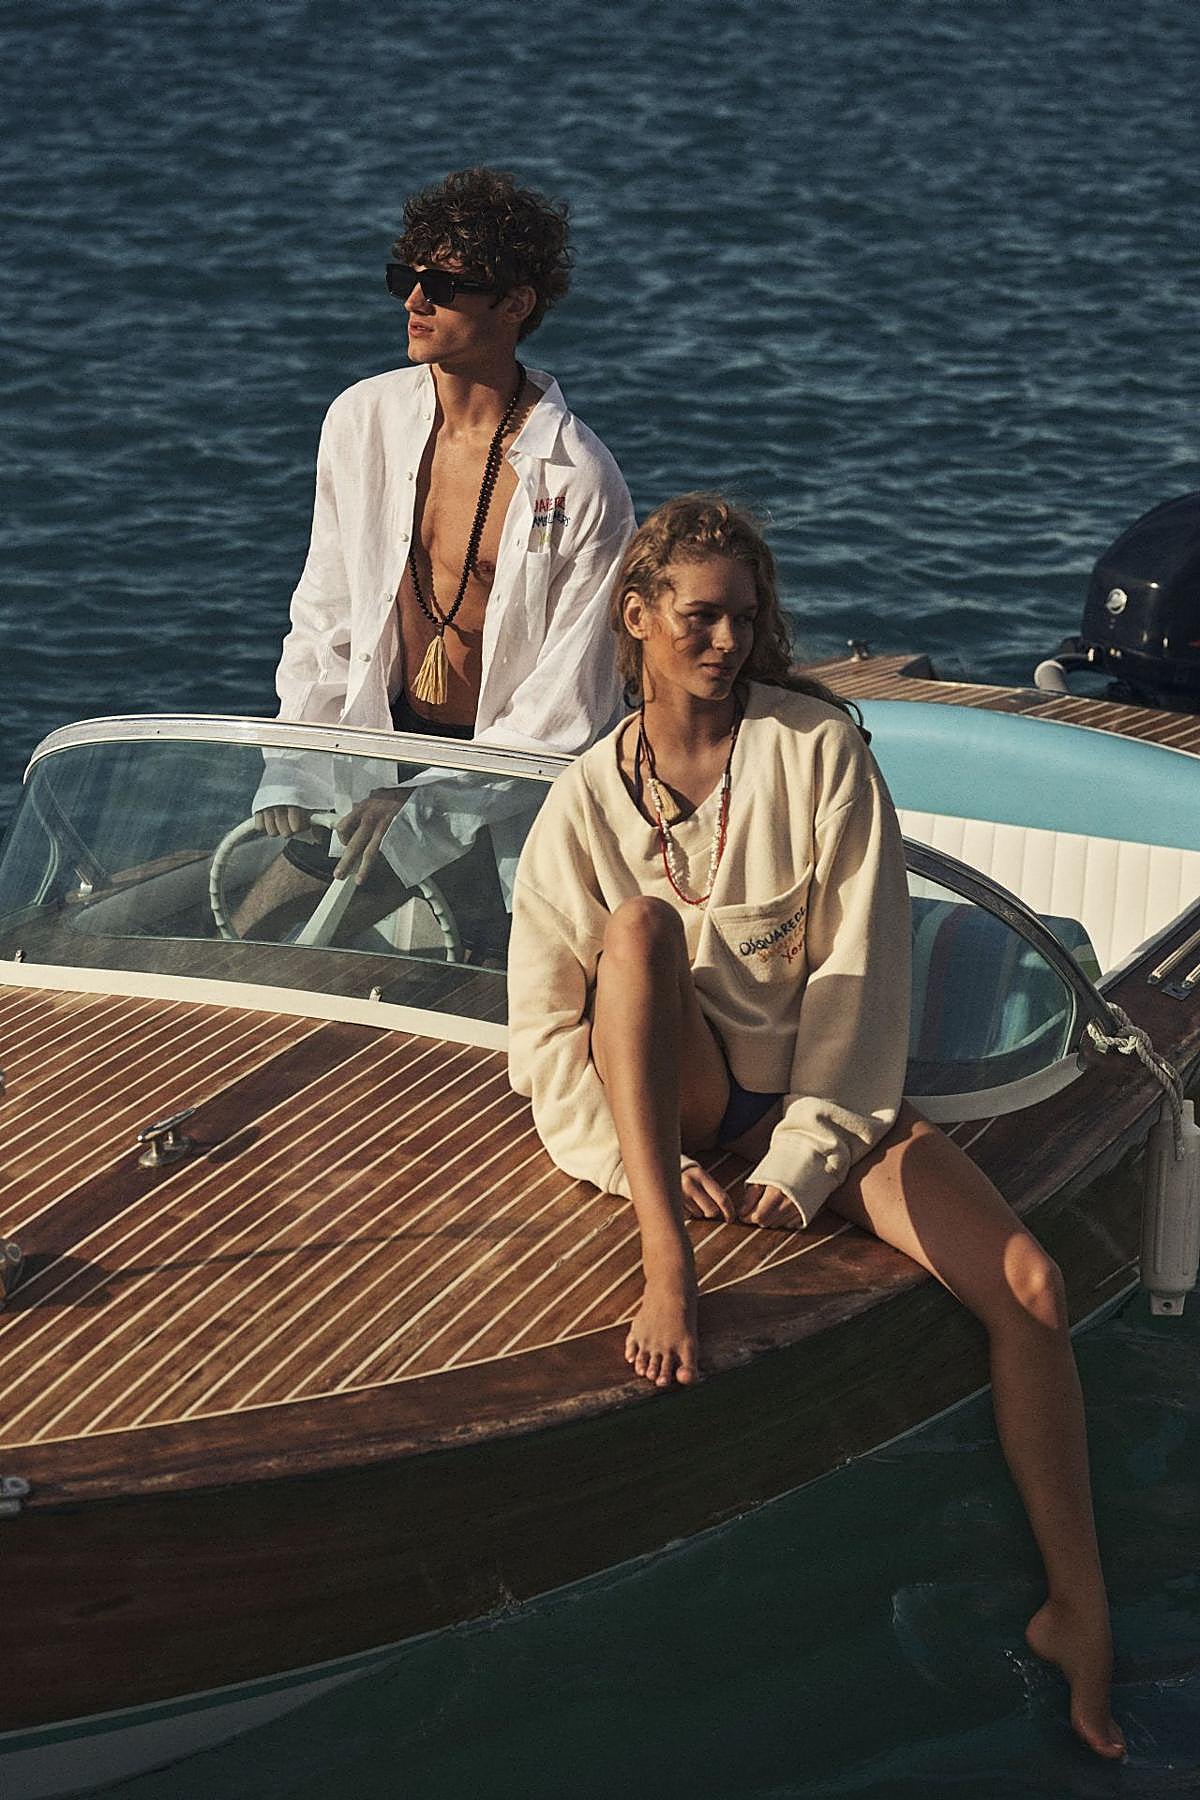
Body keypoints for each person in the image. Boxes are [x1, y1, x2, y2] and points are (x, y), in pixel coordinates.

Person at [507, 493, 1125, 1761]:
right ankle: (669, 1267)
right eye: (699, 618)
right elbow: (545, 1041)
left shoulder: (819, 751)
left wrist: (799, 1166)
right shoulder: (581, 802)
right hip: (673, 1109)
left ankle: (1079, 1612)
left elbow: (860, 986)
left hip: (815, 1098)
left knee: (1031, 1284)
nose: (726, 641)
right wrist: (636, 1170)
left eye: (743, 618)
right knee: (638, 932)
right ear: (638, 618)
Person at [240, 167, 634, 934]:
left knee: (480, 969)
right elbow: (325, 615)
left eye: (445, 287)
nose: (414, 302)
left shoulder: (579, 479)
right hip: (381, 753)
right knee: (261, 932)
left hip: (510, 785)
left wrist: (427, 802)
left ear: (515, 304)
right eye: (407, 279)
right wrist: (291, 766)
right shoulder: (361, 421)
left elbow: (567, 710)